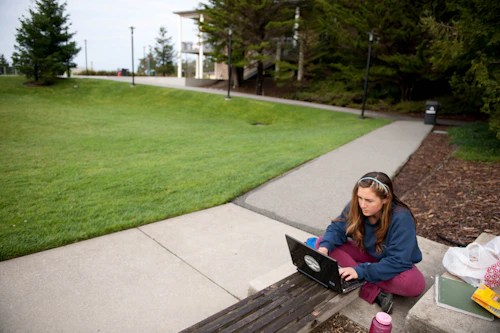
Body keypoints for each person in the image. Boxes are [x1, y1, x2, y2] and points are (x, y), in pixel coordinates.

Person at [315, 171, 425, 314]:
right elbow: (337, 228)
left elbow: (398, 261)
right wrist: (324, 249)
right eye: (359, 197)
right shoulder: (357, 206)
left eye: (369, 201)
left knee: (415, 284)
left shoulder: (402, 218)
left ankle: (356, 276)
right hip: (368, 253)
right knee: (322, 243)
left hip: (392, 261)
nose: (362, 204)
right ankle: (371, 288)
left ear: (385, 199)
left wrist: (359, 270)